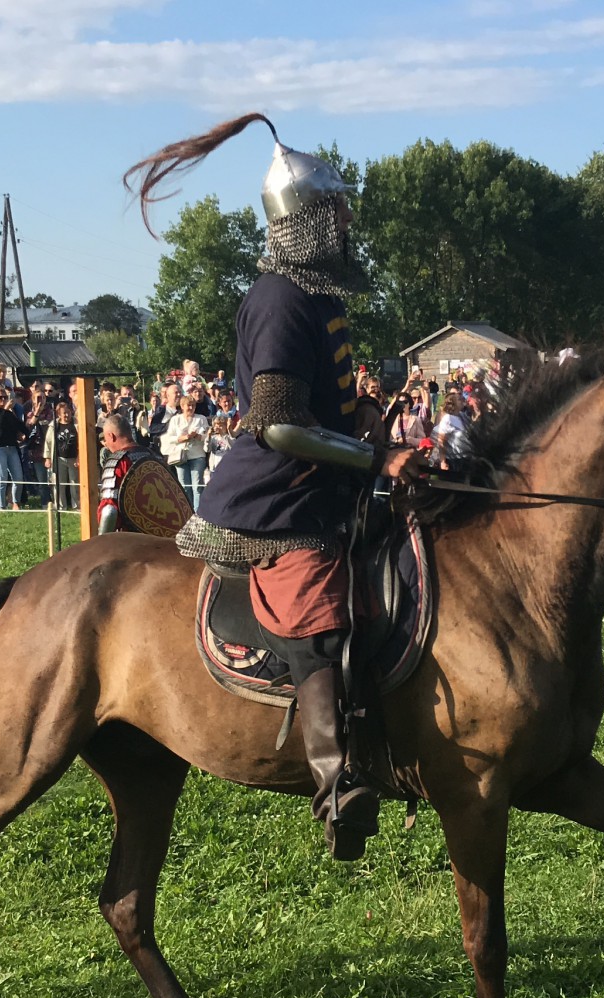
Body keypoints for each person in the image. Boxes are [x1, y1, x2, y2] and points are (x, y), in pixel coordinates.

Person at [130, 113, 425, 859]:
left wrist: (360, 416)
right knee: (318, 606)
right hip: (276, 496)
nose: (349, 219)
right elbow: (279, 425)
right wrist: (375, 460)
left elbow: (321, 407)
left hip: (325, 481)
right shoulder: (278, 301)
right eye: (336, 210)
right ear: (303, 222)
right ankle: (338, 781)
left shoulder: (321, 298)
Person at [162, 394, 212, 508]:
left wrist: (197, 436)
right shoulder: (175, 420)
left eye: (193, 405)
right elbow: (169, 438)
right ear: (182, 406)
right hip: (180, 456)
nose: (191, 408)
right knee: (184, 486)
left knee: (197, 486)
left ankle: (198, 514)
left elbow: (206, 436)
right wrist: (181, 438)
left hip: (197, 455)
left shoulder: (201, 418)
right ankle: (187, 513)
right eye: (189, 405)